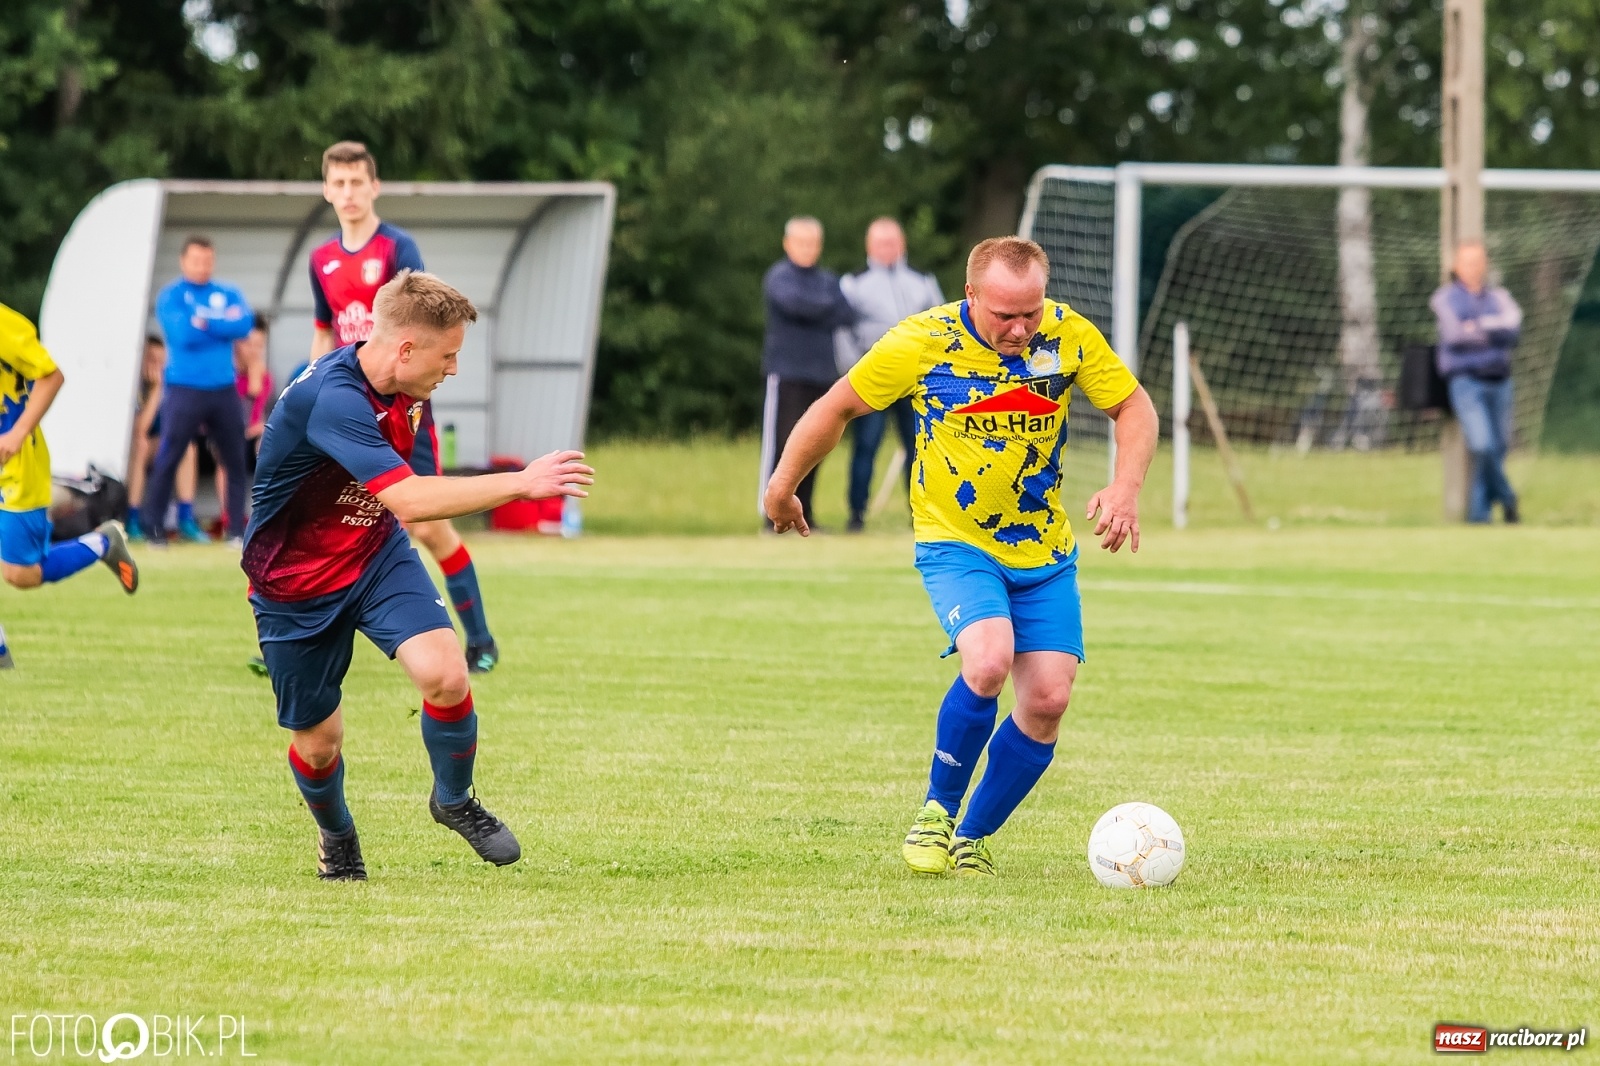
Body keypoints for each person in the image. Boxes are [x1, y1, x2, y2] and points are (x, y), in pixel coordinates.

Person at [764, 237, 1158, 878]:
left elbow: (1132, 405)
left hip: (1044, 550)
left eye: (1030, 312)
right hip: (956, 541)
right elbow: (836, 407)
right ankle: (935, 813)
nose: (1021, 328)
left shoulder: (1066, 335)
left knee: (1049, 700)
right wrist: (782, 489)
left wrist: (1126, 485)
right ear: (971, 295)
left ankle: (970, 838)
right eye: (1005, 315)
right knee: (989, 659)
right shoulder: (922, 341)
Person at [244, 270, 594, 881]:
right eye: (449, 355)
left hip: (375, 555)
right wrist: (522, 482)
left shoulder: (408, 386)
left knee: (446, 674)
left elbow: (407, 493)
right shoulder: (333, 396)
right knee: (319, 744)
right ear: (406, 349)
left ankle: (453, 799)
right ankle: (337, 835)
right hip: (294, 583)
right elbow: (407, 496)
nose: (453, 369)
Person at [308, 140, 500, 674]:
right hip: (345, 409)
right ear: (326, 190)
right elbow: (324, 331)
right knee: (320, 515)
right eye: (338, 183)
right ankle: (294, 634)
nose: (347, 193)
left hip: (400, 410)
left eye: (356, 183)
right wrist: (310, 388)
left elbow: (421, 323)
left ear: (374, 187)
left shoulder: (397, 248)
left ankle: (480, 639)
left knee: (428, 525)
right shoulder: (320, 259)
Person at [0, 301, 139, 616]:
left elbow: (51, 376)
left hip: (15, 467)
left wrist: (17, 433)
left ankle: (102, 543)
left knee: (21, 574)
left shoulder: (3, 326)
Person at [836, 218, 945, 531]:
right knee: (866, 446)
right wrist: (851, 373)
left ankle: (921, 515)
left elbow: (939, 324)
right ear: (870, 246)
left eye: (894, 242)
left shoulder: (923, 280)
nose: (889, 249)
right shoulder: (853, 282)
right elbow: (842, 331)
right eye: (882, 243)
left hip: (915, 381)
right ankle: (856, 514)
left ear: (903, 245)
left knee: (919, 447)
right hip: (873, 376)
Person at [145, 236, 255, 545]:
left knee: (235, 458)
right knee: (171, 454)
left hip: (224, 387)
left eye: (207, 261)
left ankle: (235, 529)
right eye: (196, 261)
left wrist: (204, 322)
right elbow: (183, 334)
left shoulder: (227, 291)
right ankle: (153, 528)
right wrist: (220, 324)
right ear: (184, 261)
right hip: (184, 387)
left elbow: (244, 325)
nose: (202, 267)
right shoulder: (172, 296)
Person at [758, 216, 855, 531]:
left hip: (822, 375)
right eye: (801, 242)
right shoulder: (779, 277)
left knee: (814, 445)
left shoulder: (827, 280)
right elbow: (795, 305)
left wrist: (818, 307)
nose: (807, 249)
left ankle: (805, 513)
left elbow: (844, 312)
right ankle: (771, 514)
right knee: (782, 444)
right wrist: (821, 308)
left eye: (813, 242)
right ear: (787, 244)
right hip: (787, 375)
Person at [1431, 240, 1523, 524]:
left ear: (1485, 265)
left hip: (1500, 381)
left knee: (1498, 447)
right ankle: (1508, 499)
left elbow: (1513, 330)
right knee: (1482, 445)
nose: (1474, 268)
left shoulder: (1499, 297)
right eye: (1468, 262)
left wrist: (1478, 326)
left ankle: (1479, 516)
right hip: (1465, 382)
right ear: (1457, 266)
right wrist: (1493, 329)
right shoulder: (1444, 298)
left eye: (1478, 262)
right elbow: (1455, 336)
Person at [125, 335, 204, 542]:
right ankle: (132, 518)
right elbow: (140, 429)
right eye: (152, 360)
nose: (157, 367)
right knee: (140, 445)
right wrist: (156, 390)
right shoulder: (135, 386)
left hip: (161, 447)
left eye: (161, 362)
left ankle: (185, 519)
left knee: (187, 447)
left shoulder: (173, 384)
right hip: (134, 450)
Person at [213, 320, 274, 513]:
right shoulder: (225, 373)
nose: (254, 351)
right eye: (250, 344)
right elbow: (226, 412)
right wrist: (251, 388)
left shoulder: (264, 376)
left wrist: (256, 385)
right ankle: (229, 514)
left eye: (259, 346)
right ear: (237, 343)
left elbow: (256, 416)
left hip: (249, 433)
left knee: (268, 441)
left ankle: (265, 510)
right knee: (226, 451)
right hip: (222, 432)